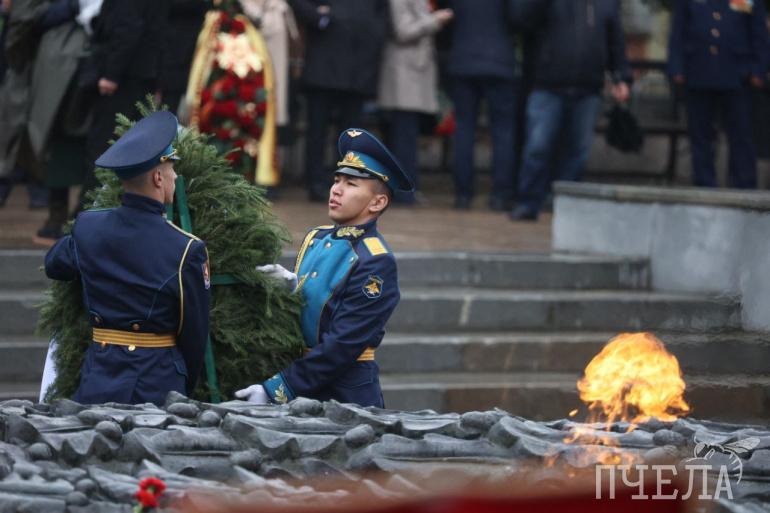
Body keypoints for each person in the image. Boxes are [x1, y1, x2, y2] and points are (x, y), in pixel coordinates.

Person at [236, 128, 412, 407]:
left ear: (378, 202)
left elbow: (342, 345)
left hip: (344, 395)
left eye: (351, 184)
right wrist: (293, 290)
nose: (336, 190)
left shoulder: (375, 260)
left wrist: (278, 388)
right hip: (302, 379)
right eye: (337, 180)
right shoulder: (316, 237)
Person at [44, 111, 210, 405]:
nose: (175, 177)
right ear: (157, 178)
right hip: (157, 385)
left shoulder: (89, 227)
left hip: (97, 377)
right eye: (171, 170)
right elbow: (194, 337)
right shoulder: (186, 248)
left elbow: (55, 265)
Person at [510, 0, 631, 221]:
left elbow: (615, 40)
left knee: (577, 151)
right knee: (538, 147)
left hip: (588, 88)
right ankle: (528, 202)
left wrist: (621, 76)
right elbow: (522, 19)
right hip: (547, 85)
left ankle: (565, 205)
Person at [289, 0, 390, 201]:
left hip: (359, 66)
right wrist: (320, 18)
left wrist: (372, 33)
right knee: (317, 130)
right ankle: (316, 183)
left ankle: (345, 183)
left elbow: (383, 15)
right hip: (324, 61)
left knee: (351, 135)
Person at [668, 0, 769, 189]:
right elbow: (678, 30)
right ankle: (704, 183)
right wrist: (677, 67)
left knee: (741, 134)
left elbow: (759, 33)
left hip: (738, 75)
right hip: (698, 70)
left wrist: (759, 69)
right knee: (700, 135)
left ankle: (744, 185)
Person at [80, 0, 169, 211]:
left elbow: (127, 29)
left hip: (125, 78)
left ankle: (93, 210)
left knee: (104, 146)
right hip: (143, 73)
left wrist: (112, 73)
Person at [445, 0, 518, 211]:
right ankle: (500, 195)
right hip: (499, 60)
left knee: (464, 130)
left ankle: (463, 195)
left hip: (463, 59)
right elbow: (520, 16)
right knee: (503, 132)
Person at [377, 0, 453, 204]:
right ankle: (403, 193)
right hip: (404, 73)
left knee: (406, 136)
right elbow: (403, 31)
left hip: (413, 73)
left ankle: (405, 190)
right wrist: (435, 20)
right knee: (403, 137)